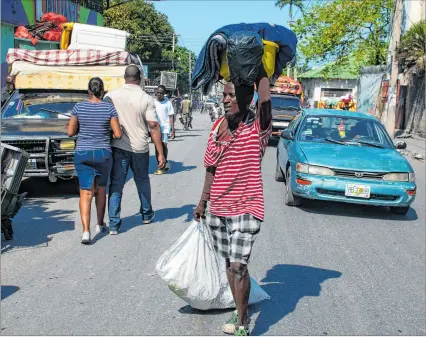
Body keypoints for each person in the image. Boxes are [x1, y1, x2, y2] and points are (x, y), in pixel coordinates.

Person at [194, 66, 272, 336]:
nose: (225, 99)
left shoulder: (258, 128)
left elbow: (264, 101)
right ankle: (240, 307)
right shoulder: (217, 126)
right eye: (224, 95)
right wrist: (202, 202)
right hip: (218, 207)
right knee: (230, 264)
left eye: (230, 95)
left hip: (248, 207)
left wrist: (260, 68)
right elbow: (211, 168)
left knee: (239, 265)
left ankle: (242, 322)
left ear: (245, 97)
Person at [105, 65, 165, 235]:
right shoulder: (146, 99)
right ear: (140, 78)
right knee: (142, 180)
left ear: (124, 77)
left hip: (118, 146)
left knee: (116, 184)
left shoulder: (110, 95)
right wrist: (160, 153)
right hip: (140, 148)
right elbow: (153, 126)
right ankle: (146, 214)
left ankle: (114, 224)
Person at [67, 77, 122, 244]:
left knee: (86, 192)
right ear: (102, 91)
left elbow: (70, 132)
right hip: (103, 153)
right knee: (101, 189)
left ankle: (86, 232)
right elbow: (118, 134)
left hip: (83, 152)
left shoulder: (78, 107)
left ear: (88, 91)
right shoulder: (109, 108)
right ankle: (99, 224)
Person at [154, 85, 174, 175]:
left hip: (165, 128)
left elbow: (170, 116)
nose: (159, 94)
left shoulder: (168, 103)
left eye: (161, 93)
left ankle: (163, 165)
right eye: (157, 92)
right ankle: (161, 164)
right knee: (157, 148)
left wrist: (173, 130)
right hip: (155, 128)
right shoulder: (153, 102)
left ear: (164, 94)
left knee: (164, 147)